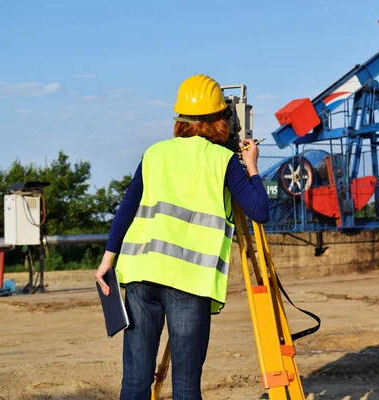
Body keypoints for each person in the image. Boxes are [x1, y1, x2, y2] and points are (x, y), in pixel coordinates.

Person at [94, 74, 269, 400]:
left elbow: (127, 207)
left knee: (134, 383)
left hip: (140, 278)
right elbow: (260, 210)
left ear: (181, 118)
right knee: (186, 388)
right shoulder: (224, 161)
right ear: (221, 118)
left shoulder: (155, 154)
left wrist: (107, 261)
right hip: (189, 284)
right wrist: (252, 166)